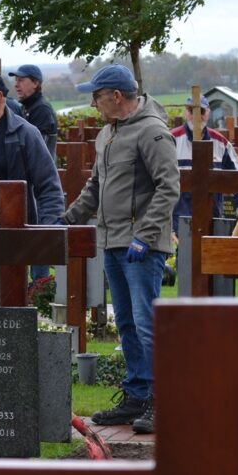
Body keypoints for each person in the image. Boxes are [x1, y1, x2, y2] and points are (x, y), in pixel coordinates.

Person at [62, 64, 179, 435]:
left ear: (116, 96)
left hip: (141, 247)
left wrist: (144, 235)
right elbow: (95, 186)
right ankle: (136, 396)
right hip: (111, 242)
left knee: (147, 324)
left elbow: (168, 187)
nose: (93, 105)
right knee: (126, 323)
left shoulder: (152, 132)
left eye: (96, 97)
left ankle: (161, 402)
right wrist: (66, 220)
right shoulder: (107, 135)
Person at [0, 70, 64, 283]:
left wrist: (45, 232)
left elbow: (49, 188)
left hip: (10, 240)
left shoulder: (25, 134)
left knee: (7, 307)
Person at [170, 94, 238, 254]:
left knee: (211, 259)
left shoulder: (220, 142)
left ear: (208, 113)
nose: (196, 116)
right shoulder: (172, 140)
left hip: (212, 213)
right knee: (184, 258)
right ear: (186, 112)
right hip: (179, 215)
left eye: (201, 111)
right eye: (192, 111)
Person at [8, 64, 58, 162]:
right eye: (16, 80)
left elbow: (37, 148)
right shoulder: (27, 106)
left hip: (40, 172)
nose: (16, 84)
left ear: (35, 83)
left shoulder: (41, 109)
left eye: (21, 80)